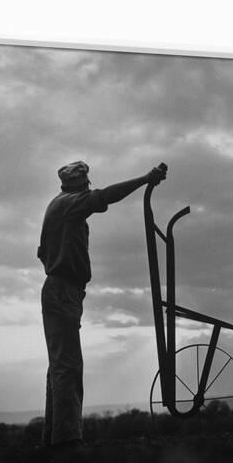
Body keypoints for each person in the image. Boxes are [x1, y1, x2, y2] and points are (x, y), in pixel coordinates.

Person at [37, 160, 167, 448]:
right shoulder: (68, 204)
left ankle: (53, 439)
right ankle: (67, 442)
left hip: (62, 290)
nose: (89, 190)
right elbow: (106, 196)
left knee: (60, 364)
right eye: (86, 187)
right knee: (68, 366)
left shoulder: (59, 207)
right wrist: (145, 179)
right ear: (80, 186)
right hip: (63, 291)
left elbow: (41, 252)